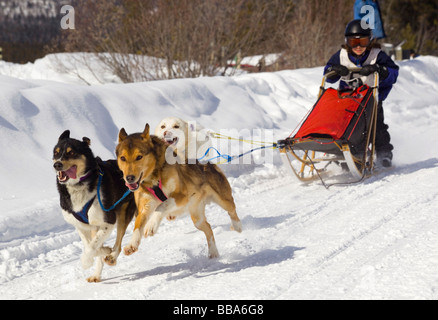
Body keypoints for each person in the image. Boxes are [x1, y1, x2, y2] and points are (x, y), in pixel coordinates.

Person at [324, 19, 399, 167]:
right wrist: (335, 70)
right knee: (349, 127)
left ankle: (384, 154)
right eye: (353, 42)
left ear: (369, 41)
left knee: (376, 127)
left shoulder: (377, 55)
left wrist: (379, 69)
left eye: (363, 42)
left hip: (372, 98)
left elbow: (393, 73)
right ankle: (351, 155)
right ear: (347, 42)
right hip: (348, 100)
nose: (358, 46)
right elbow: (328, 74)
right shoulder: (341, 56)